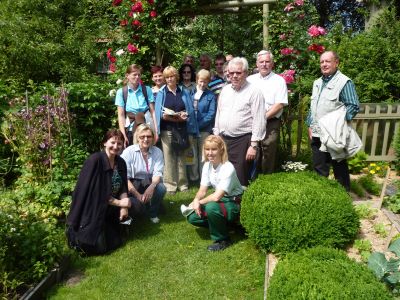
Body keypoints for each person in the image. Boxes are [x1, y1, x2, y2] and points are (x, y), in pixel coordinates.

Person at [66, 129, 131, 255]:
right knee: (99, 248)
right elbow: (97, 194)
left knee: (117, 240)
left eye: (119, 143)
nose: (116, 146)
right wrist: (121, 204)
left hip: (111, 207)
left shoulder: (121, 162)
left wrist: (125, 206)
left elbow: (123, 185)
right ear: (105, 143)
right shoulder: (95, 161)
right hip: (93, 208)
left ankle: (117, 225)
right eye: (112, 142)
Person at [306, 50, 360, 191]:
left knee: (339, 167)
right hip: (318, 134)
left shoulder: (344, 82)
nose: (324, 64)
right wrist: (309, 124)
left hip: (334, 135)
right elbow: (313, 106)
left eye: (327, 61)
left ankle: (343, 198)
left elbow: (353, 106)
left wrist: (338, 124)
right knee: (319, 168)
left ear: (336, 63)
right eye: (322, 62)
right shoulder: (317, 83)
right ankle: (321, 197)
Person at [182, 135, 243, 251]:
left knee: (211, 208)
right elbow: (202, 190)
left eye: (213, 149)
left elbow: (216, 196)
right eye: (207, 149)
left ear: (221, 149)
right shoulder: (207, 165)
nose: (210, 153)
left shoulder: (228, 167)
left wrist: (199, 202)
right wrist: (195, 200)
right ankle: (227, 226)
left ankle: (223, 240)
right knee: (192, 217)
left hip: (234, 202)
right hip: (222, 201)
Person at [214, 57, 266, 186]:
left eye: (238, 72)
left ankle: (239, 203)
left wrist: (253, 146)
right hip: (224, 138)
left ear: (246, 73)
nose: (234, 76)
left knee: (240, 176)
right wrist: (216, 134)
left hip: (243, 140)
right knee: (223, 173)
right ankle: (224, 202)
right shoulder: (225, 90)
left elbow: (259, 120)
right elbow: (219, 113)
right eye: (231, 73)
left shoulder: (254, 92)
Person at [155, 66, 199, 194]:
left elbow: (190, 109)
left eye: (172, 76)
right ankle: (170, 185)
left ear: (176, 77)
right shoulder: (162, 93)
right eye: (167, 77)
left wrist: (185, 116)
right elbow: (159, 114)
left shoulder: (183, 92)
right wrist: (168, 117)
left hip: (182, 128)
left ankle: (183, 184)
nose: (169, 79)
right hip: (167, 129)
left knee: (181, 157)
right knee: (169, 157)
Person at [247, 50, 288, 174]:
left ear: (272, 64)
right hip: (251, 121)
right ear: (257, 64)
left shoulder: (279, 81)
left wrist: (262, 118)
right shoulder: (250, 80)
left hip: (270, 122)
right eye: (261, 62)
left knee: (268, 150)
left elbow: (280, 104)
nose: (264, 64)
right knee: (252, 149)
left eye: (267, 61)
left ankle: (267, 178)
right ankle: (251, 178)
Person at [121, 124, 166, 223]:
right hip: (133, 184)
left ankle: (152, 213)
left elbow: (158, 173)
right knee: (139, 207)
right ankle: (143, 206)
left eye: (149, 136)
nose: (146, 139)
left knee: (161, 188)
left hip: (149, 182)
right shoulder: (128, 152)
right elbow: (125, 177)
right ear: (137, 137)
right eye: (142, 137)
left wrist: (152, 187)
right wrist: (137, 195)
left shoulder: (157, 151)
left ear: (153, 137)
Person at [115, 64, 158, 147]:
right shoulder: (121, 92)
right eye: (134, 74)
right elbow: (121, 116)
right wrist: (123, 135)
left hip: (147, 128)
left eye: (139, 74)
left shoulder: (147, 90)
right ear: (127, 76)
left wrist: (156, 131)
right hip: (130, 130)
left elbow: (153, 112)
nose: (137, 77)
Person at [187, 69, 217, 182]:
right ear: (196, 80)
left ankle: (204, 178)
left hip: (204, 129)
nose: (202, 84)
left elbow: (211, 114)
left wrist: (198, 126)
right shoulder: (189, 92)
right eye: (200, 81)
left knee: (204, 155)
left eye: (205, 82)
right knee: (191, 154)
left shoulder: (210, 95)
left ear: (208, 81)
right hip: (190, 129)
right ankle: (193, 178)